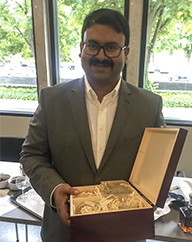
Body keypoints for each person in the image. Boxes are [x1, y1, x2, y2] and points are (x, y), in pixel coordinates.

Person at [20, 8, 165, 242]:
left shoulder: (149, 106)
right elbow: (32, 154)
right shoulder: (51, 99)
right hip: (63, 233)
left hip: (123, 233)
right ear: (81, 49)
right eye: (92, 45)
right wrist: (55, 189)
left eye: (111, 47)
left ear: (125, 52)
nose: (101, 55)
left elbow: (156, 166)